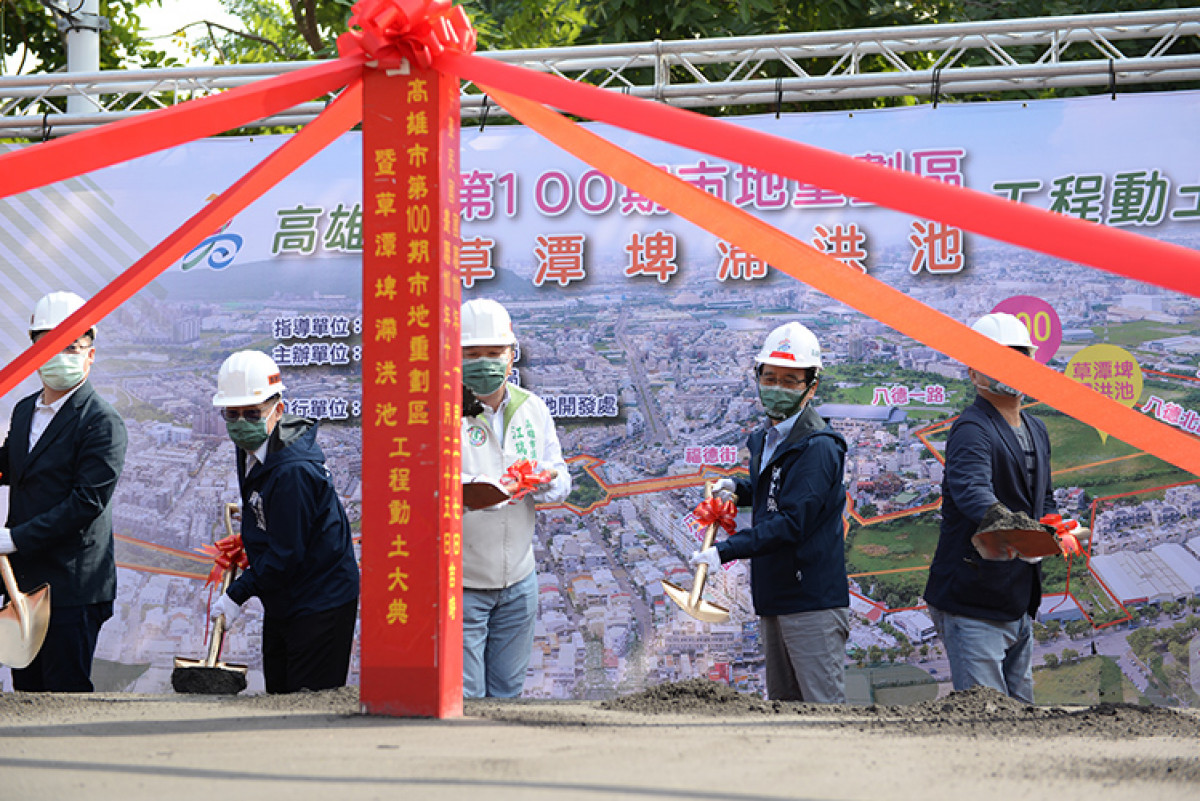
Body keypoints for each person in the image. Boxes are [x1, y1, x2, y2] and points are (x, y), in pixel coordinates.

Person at [690, 322, 850, 703]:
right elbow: (776, 492)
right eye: (771, 377)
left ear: (811, 387)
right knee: (784, 705)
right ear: (758, 377)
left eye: (790, 381)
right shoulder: (767, 437)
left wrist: (725, 551)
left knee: (822, 709)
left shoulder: (818, 447)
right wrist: (740, 488)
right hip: (775, 595)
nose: (777, 388)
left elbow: (793, 521)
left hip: (810, 600)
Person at [923, 312, 1056, 704]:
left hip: (1016, 599)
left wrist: (1055, 530)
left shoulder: (1036, 429)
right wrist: (1026, 537)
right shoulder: (971, 429)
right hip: (973, 601)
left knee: (1021, 708)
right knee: (987, 717)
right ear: (973, 373)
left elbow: (1044, 500)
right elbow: (973, 494)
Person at [209, 350, 360, 694]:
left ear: (278, 409)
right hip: (288, 592)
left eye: (251, 413)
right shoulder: (256, 444)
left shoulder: (292, 470)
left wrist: (237, 594)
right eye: (232, 414)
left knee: (306, 698)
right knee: (279, 689)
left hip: (320, 598)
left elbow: (288, 552)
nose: (241, 422)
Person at [0, 291, 127, 692]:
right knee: (27, 691)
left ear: (91, 353)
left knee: (64, 695)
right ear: (34, 350)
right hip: (23, 581)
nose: (61, 355)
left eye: (72, 345)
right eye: (50, 344)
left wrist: (13, 538)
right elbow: (13, 467)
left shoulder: (101, 422)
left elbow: (86, 502)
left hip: (72, 586)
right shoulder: (24, 411)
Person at [460, 299, 571, 698]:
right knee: (465, 697)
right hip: (462, 580)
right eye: (472, 354)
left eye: (494, 353)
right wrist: (475, 487)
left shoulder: (533, 409)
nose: (485, 363)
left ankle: (498, 762)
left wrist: (548, 480)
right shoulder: (437, 410)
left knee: (507, 693)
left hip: (519, 579)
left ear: (512, 355)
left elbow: (561, 474)